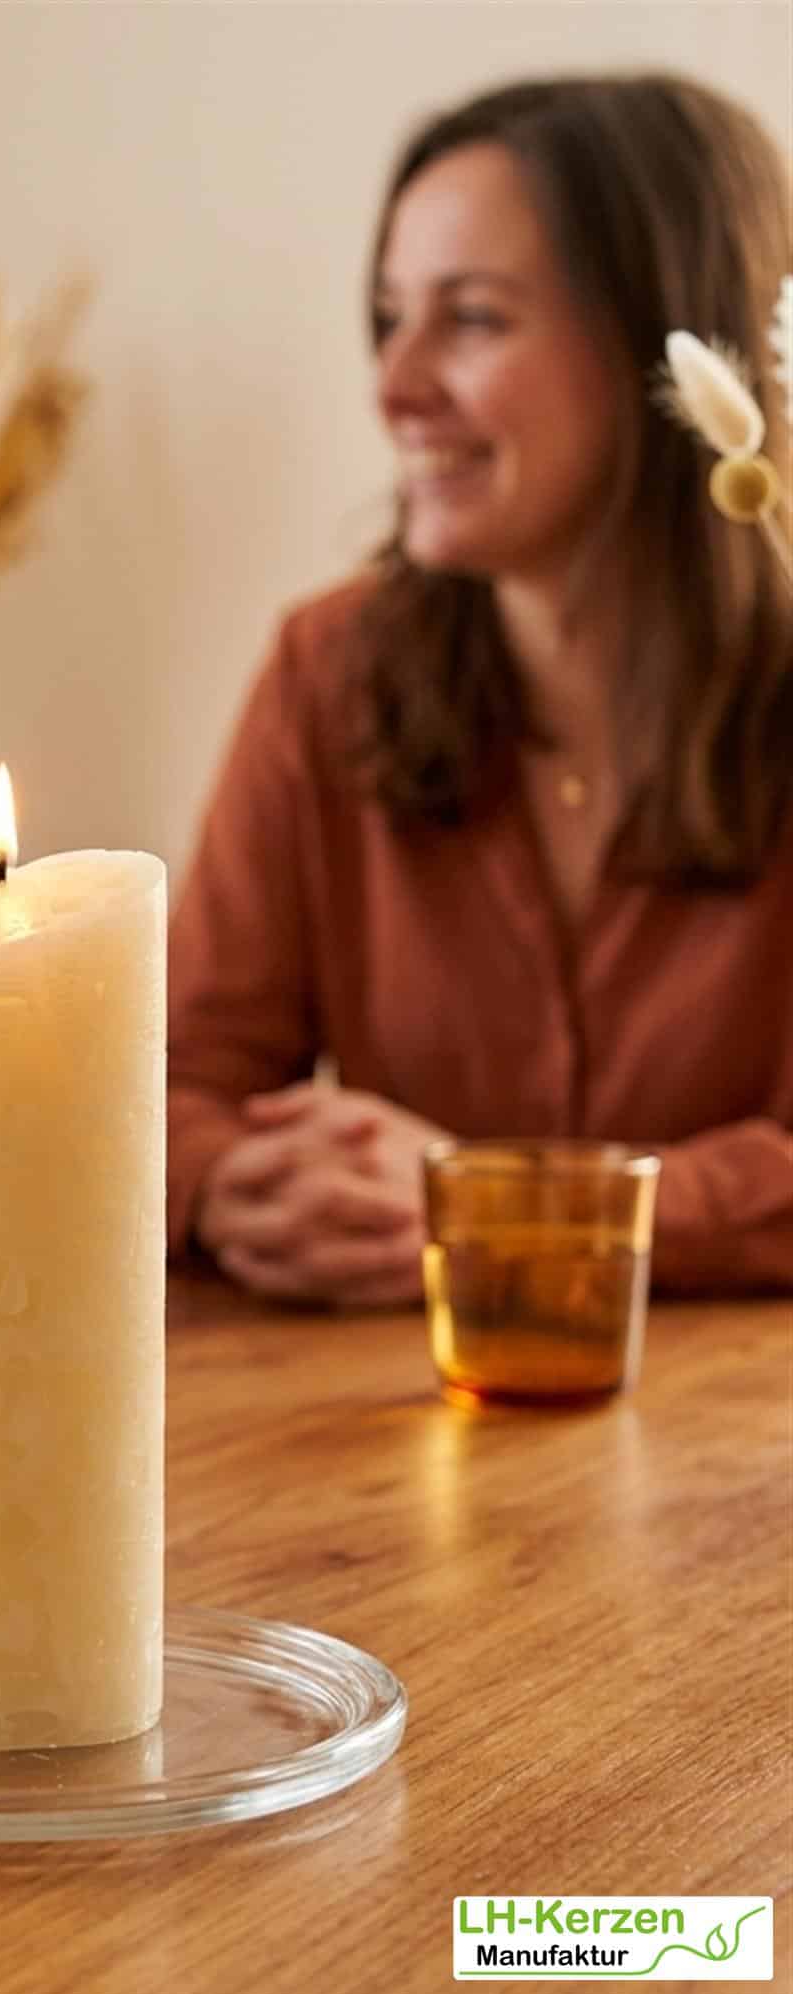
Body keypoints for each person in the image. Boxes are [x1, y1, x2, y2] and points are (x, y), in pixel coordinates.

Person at [169, 72, 793, 1306]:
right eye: (387, 317)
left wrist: (500, 1205)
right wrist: (223, 1180)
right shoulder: (326, 672)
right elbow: (178, 1081)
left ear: (663, 338)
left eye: (470, 319)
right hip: (388, 1409)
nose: (392, 386)